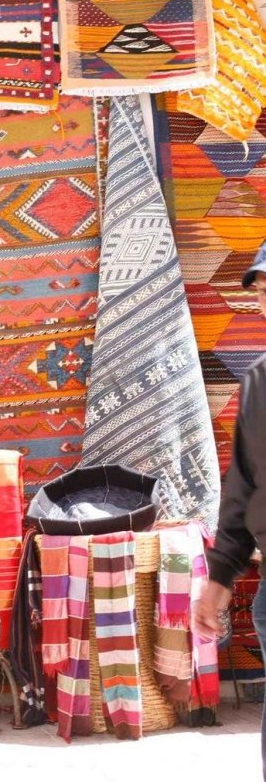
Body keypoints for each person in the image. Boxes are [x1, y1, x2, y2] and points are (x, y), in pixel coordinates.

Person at [198, 238, 266, 777]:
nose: (263, 302)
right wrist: (220, 575)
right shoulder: (260, 381)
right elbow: (244, 483)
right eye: (261, 291)